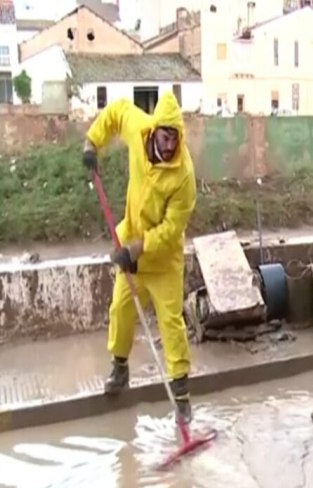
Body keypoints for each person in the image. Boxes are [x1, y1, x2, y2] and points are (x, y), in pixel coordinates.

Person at [82, 91, 196, 423]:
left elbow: (173, 228)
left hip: (163, 261)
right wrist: (92, 142)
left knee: (171, 325)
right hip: (129, 242)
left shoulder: (183, 175)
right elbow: (116, 111)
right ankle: (120, 369)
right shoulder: (139, 127)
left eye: (175, 138)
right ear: (156, 129)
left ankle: (183, 398)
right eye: (165, 135)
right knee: (120, 310)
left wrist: (138, 249)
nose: (169, 144)